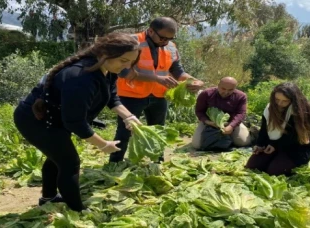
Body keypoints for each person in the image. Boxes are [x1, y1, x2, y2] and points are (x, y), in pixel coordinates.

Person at [13, 32, 142, 212]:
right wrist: (103, 144)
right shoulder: (81, 77)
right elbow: (75, 122)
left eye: (131, 61)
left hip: (56, 118)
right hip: (35, 120)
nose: (127, 66)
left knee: (57, 157)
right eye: (123, 60)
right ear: (105, 54)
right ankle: (77, 210)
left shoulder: (107, 69)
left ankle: (48, 198)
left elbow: (111, 96)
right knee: (69, 163)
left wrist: (128, 116)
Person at [109, 17, 204, 163]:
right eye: (163, 38)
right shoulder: (132, 42)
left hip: (159, 96)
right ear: (151, 30)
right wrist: (157, 78)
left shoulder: (171, 47)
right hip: (131, 95)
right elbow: (124, 73)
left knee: (159, 130)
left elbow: (178, 72)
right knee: (124, 132)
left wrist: (194, 80)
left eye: (170, 38)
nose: (166, 41)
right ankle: (114, 163)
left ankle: (157, 162)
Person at [245, 82, 310, 176]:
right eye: (277, 99)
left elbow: (294, 136)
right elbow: (264, 129)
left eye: (285, 101)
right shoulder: (270, 108)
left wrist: (275, 145)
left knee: (274, 172)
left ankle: (285, 161)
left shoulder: (301, 112)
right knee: (252, 166)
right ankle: (275, 158)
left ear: (293, 100)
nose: (280, 104)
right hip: (274, 144)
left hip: (296, 148)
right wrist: (260, 144)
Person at [192, 77, 252, 149]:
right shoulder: (206, 94)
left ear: (235, 88)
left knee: (243, 142)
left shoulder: (241, 96)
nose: (226, 92)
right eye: (223, 89)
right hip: (209, 122)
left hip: (231, 122)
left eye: (230, 90)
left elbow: (241, 114)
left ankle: (229, 138)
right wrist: (208, 122)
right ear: (218, 86)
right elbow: (199, 111)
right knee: (197, 145)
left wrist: (231, 126)